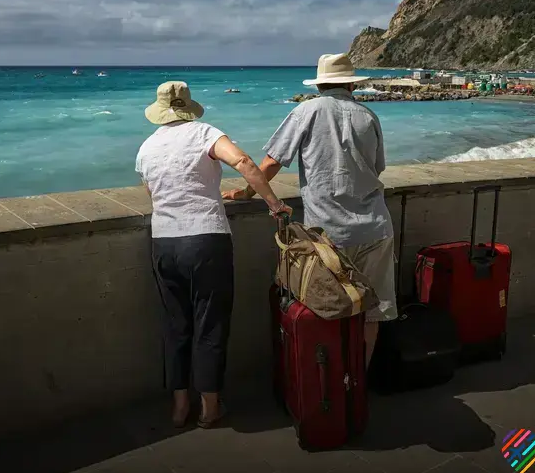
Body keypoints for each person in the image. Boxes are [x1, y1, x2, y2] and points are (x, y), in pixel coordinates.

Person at [223, 53, 396, 367]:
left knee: (327, 309)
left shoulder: (307, 110)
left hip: (328, 236)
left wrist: (247, 191)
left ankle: (328, 384)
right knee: (373, 313)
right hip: (375, 227)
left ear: (319, 84)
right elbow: (377, 168)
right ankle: (357, 384)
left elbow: (272, 161)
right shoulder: (368, 116)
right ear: (351, 85)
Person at [136, 81, 292, 429]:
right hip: (206, 240)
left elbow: (153, 193)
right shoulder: (204, 133)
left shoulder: (146, 148)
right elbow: (244, 161)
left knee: (176, 327)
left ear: (159, 111)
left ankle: (179, 406)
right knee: (210, 324)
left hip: (164, 242)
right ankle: (209, 407)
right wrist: (274, 204)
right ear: (188, 107)